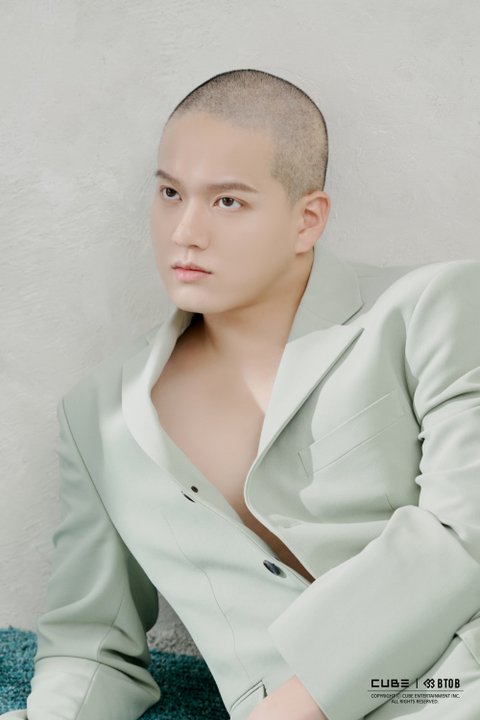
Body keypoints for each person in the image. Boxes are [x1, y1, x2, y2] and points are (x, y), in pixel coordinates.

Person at [3, 68, 480, 720]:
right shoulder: (99, 415)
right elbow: (92, 645)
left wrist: (294, 707)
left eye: (227, 202)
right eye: (170, 193)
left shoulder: (434, 307)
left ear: (307, 220)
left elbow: (466, 532)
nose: (185, 231)